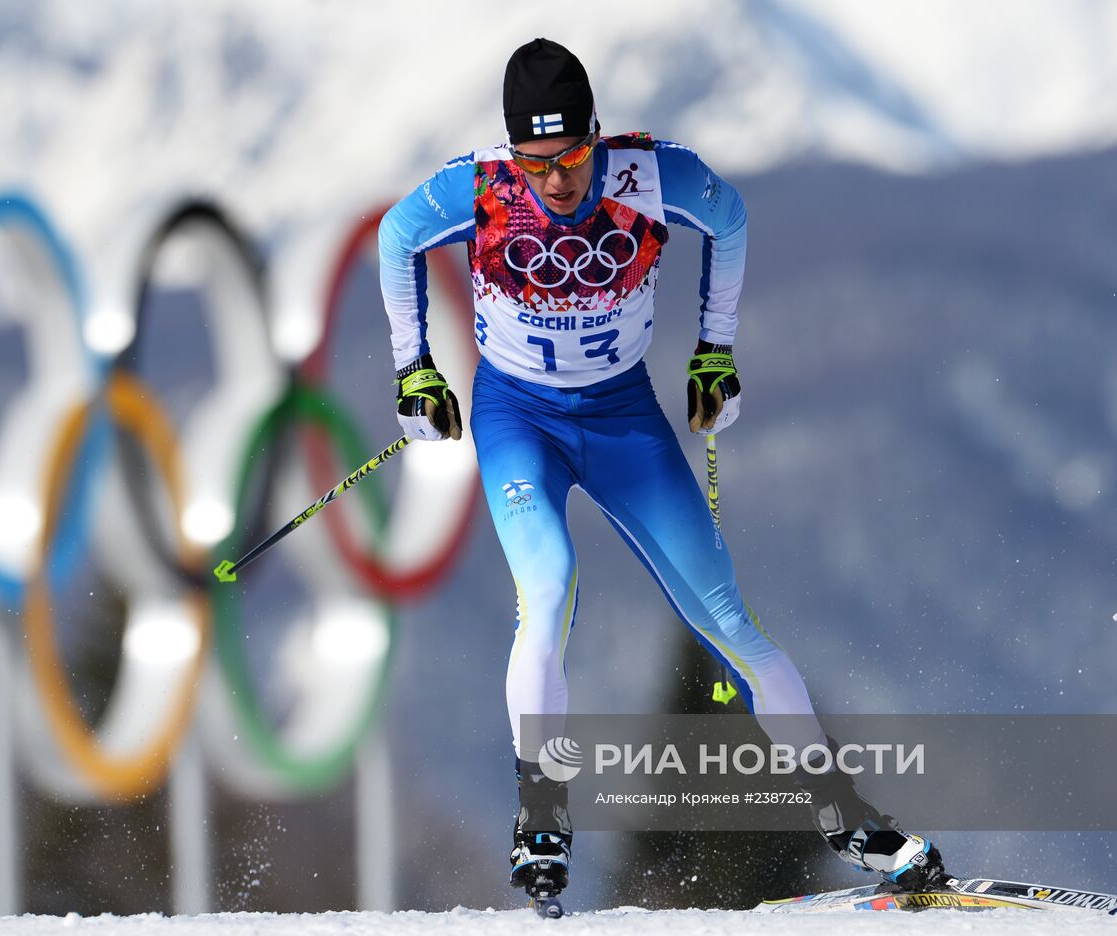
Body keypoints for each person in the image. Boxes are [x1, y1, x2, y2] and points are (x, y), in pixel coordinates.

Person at [377, 37, 946, 904]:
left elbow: (732, 218)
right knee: (551, 585)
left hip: (622, 417)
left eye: (569, 157)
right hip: (516, 416)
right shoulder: (481, 186)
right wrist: (412, 366)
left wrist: (715, 348)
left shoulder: (651, 176)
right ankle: (541, 815)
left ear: (595, 135)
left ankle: (847, 817)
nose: (556, 181)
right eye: (536, 162)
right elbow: (397, 236)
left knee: (730, 619)